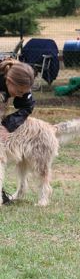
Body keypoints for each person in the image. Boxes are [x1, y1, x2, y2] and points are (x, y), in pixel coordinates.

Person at [0, 58, 36, 204]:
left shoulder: (23, 83)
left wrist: (6, 125)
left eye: (25, 92)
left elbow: (27, 107)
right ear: (9, 81)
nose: (21, 95)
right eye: (19, 91)